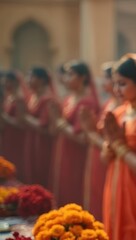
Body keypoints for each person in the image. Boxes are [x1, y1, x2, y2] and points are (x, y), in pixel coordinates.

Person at [81, 54, 136, 239]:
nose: (116, 89)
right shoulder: (119, 113)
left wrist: (119, 145)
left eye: (123, 83)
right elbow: (105, 159)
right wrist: (107, 145)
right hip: (115, 188)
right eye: (115, 83)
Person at [49, 60, 100, 207]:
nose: (65, 79)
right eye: (65, 75)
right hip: (65, 151)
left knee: (74, 191)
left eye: (70, 75)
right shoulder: (69, 99)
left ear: (83, 78)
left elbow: (83, 138)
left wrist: (60, 122)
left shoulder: (87, 103)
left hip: (77, 155)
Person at [79, 61, 121, 220]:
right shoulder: (109, 103)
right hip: (97, 156)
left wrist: (91, 134)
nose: (103, 82)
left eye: (106, 78)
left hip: (106, 159)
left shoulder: (120, 107)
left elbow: (111, 144)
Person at [23, 67, 57, 188]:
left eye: (32, 77)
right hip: (32, 140)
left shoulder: (47, 99)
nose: (28, 80)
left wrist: (25, 118)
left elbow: (44, 126)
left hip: (42, 143)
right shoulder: (33, 97)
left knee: (40, 171)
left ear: (42, 80)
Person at [0, 71, 28, 181]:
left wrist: (4, 117)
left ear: (15, 83)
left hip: (16, 137)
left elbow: (21, 124)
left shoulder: (19, 99)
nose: (5, 84)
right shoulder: (8, 98)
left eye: (8, 81)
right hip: (7, 135)